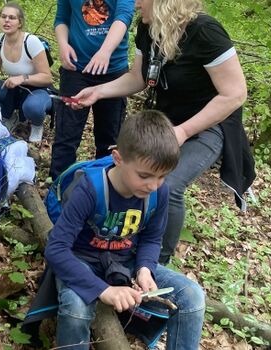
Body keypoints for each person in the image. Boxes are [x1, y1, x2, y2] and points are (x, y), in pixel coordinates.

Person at [72, 0, 255, 264]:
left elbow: (235, 94)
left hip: (210, 124)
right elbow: (138, 78)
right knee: (129, 170)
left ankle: (157, 263)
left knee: (168, 183)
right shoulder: (147, 29)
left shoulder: (205, 31)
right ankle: (122, 240)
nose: (134, 4)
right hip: (168, 120)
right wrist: (99, 92)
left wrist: (183, 131)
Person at [44, 110, 205, 350]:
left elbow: (151, 237)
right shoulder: (89, 189)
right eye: (144, 176)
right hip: (82, 260)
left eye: (162, 177)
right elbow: (56, 249)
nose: (153, 185)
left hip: (125, 260)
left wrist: (144, 269)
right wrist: (103, 290)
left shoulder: (159, 192)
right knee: (76, 310)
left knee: (192, 297)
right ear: (118, 158)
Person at [49, 0, 135, 179]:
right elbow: (61, 19)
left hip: (112, 70)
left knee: (109, 139)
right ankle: (57, 189)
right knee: (66, 136)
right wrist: (63, 45)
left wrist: (105, 51)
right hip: (75, 69)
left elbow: (124, 16)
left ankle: (105, 189)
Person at [0, 2, 53, 143]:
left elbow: (47, 77)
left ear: (20, 23)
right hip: (13, 89)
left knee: (33, 107)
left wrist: (22, 78)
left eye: (12, 18)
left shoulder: (31, 42)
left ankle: (37, 125)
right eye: (3, 16)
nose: (6, 20)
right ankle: (9, 116)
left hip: (37, 90)